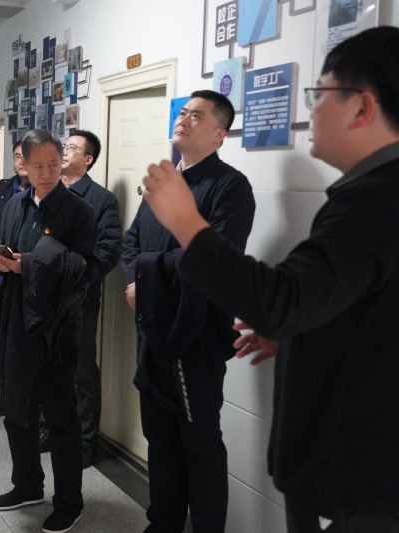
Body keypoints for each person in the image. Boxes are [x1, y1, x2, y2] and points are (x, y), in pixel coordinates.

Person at [138, 27, 399, 533]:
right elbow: (364, 308)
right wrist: (305, 333)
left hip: (363, 474)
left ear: (362, 107)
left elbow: (279, 300)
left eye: (319, 95)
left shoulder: (375, 201)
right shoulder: (370, 194)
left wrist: (186, 222)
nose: (312, 112)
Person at [124, 89, 255, 532]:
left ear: (219, 135)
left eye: (197, 115)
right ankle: (163, 522)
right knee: (159, 437)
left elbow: (214, 255)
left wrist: (145, 279)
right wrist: (134, 280)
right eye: (183, 112)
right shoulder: (164, 182)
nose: (184, 118)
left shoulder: (230, 186)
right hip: (151, 331)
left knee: (200, 444)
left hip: (194, 335)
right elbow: (131, 242)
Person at [0, 129, 98, 533]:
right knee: (17, 409)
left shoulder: (78, 210)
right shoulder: (16, 204)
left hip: (58, 325)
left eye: (54, 164)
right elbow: (3, 244)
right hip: (18, 318)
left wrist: (30, 263)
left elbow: (85, 266)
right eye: (39, 166)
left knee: (60, 417)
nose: (48, 173)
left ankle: (69, 501)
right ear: (24, 165)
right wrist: (3, 262)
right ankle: (27, 485)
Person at [39, 130, 121, 468]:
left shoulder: (102, 200)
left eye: (72, 147)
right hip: (42, 296)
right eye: (64, 145)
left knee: (82, 371)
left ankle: (87, 442)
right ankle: (50, 429)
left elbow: (108, 251)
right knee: (47, 366)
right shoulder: (47, 191)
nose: (64, 150)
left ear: (88, 159)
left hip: (78, 298)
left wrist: (76, 281)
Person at [0, 140, 30, 418]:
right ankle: (5, 397)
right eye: (16, 156)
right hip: (4, 281)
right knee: (4, 344)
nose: (21, 161)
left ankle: (27, 405)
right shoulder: (4, 191)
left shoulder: (49, 196)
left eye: (27, 156)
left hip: (31, 282)